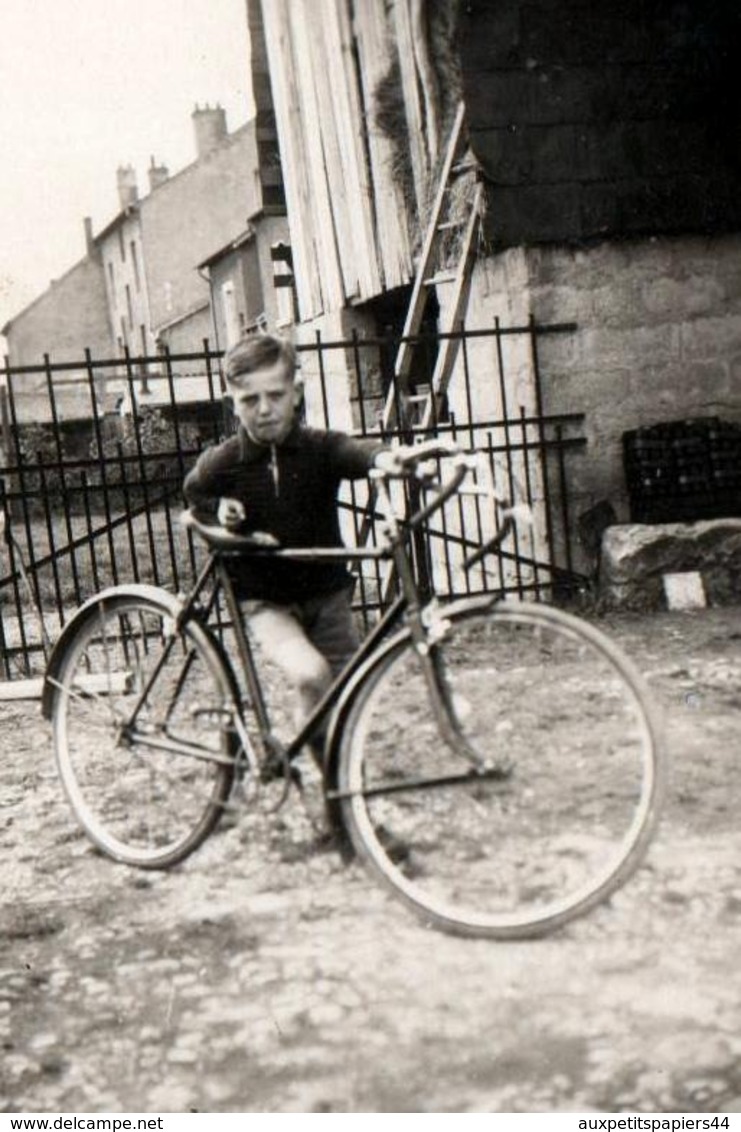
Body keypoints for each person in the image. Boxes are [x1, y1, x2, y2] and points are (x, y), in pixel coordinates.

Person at [183, 332, 401, 772]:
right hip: (266, 602)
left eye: (275, 395)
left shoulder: (319, 448)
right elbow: (194, 494)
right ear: (233, 402)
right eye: (249, 400)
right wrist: (216, 510)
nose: (264, 410)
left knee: (343, 700)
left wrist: (385, 459)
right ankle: (322, 781)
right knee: (311, 675)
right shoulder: (224, 461)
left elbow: (354, 452)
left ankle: (338, 795)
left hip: (328, 597)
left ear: (296, 393)